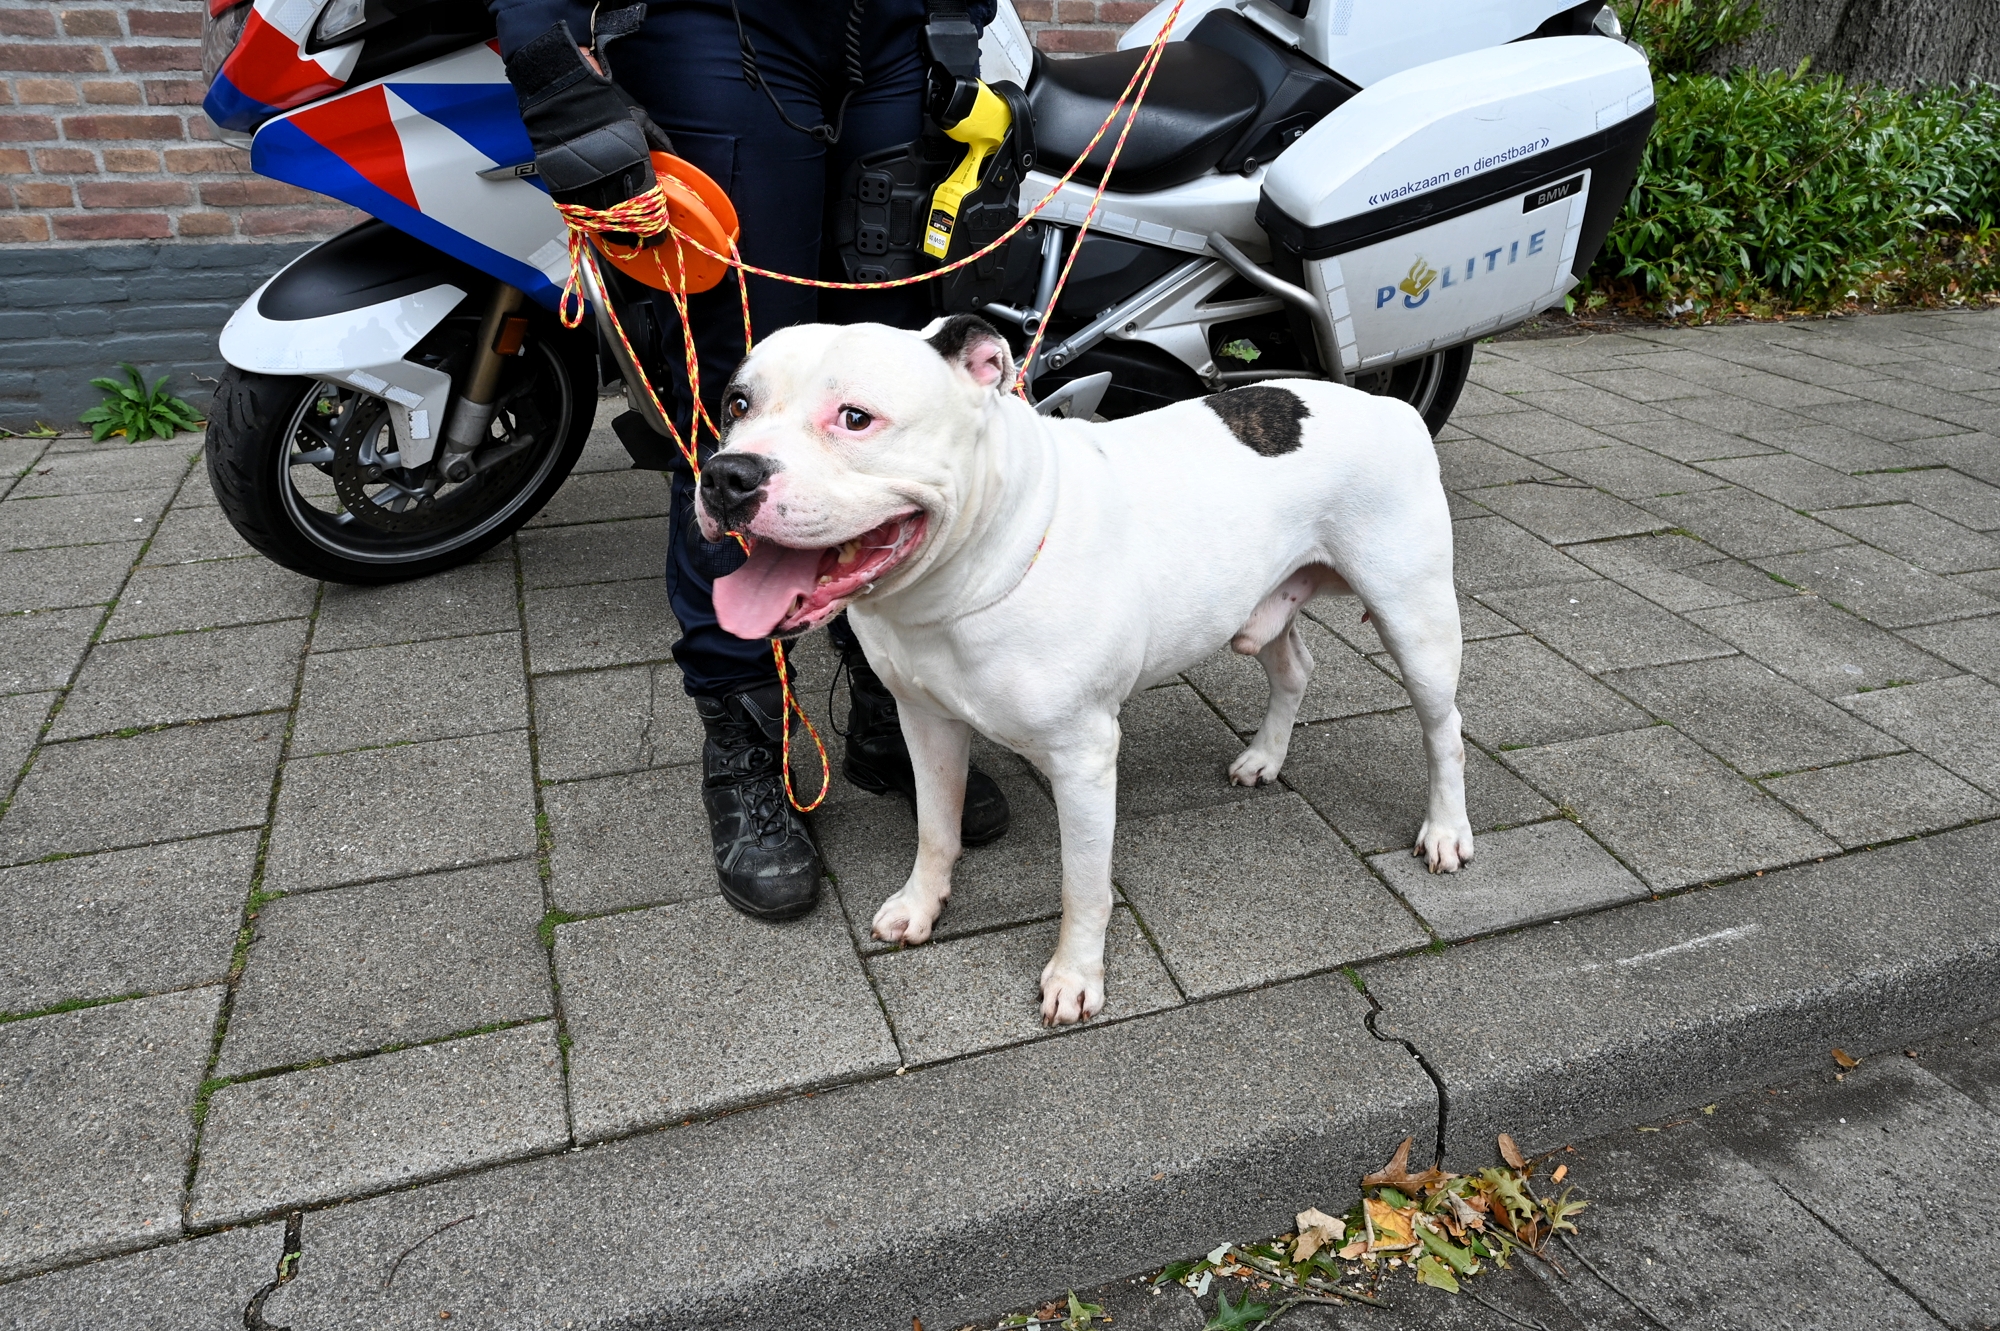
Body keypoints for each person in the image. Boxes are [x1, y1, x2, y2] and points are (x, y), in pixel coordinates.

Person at [491, 0, 1011, 922]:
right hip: (718, 30)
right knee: (737, 410)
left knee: (882, 408)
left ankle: (896, 708)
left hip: (899, 36)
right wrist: (545, 55)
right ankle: (742, 738)